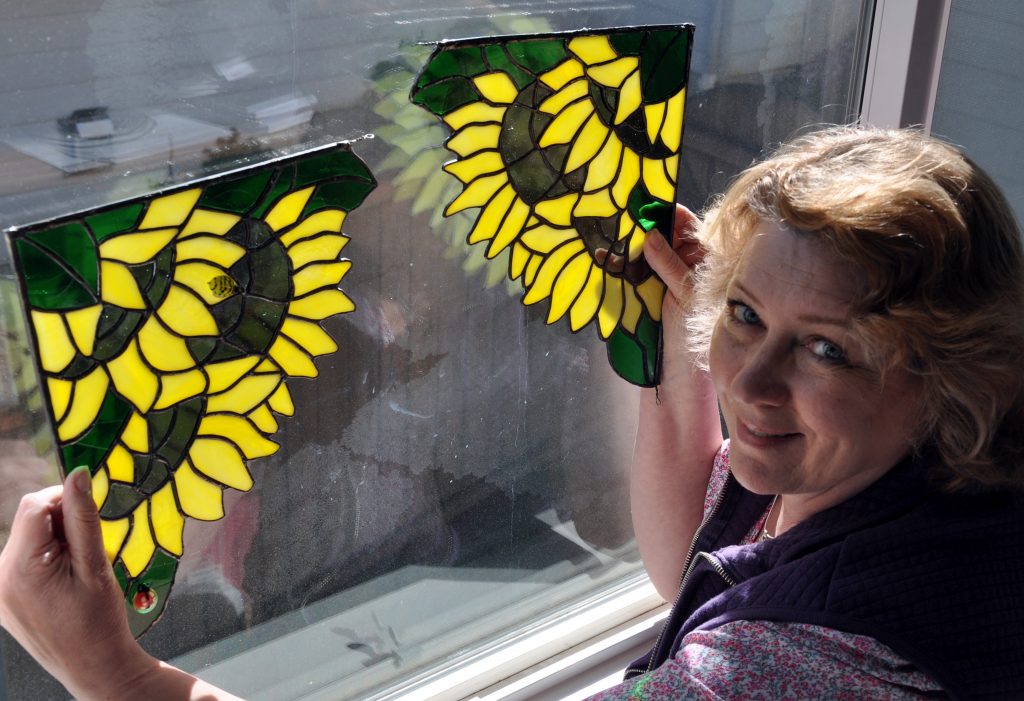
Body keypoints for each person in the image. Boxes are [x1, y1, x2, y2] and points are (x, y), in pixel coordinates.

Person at [2, 125, 1024, 700]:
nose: (749, 380)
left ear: (944, 371)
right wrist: (676, 353)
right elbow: (690, 569)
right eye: (745, 313)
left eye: (825, 346)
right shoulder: (920, 481)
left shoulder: (779, 672)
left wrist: (113, 672)